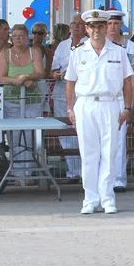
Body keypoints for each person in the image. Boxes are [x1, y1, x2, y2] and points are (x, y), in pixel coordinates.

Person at [66, 9, 134, 214]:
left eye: (100, 26)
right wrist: (70, 108)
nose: (96, 30)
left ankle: (107, 198)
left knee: (109, 152)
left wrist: (128, 107)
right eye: (92, 26)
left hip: (110, 104)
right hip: (86, 104)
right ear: (86, 29)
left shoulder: (118, 52)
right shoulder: (78, 52)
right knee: (88, 154)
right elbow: (70, 82)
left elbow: (128, 81)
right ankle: (90, 198)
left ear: (106, 28)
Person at [0, 24, 46, 180]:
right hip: (11, 100)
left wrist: (26, 77)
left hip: (32, 100)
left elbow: (39, 72)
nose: (19, 38)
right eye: (16, 36)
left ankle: (30, 173)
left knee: (31, 136)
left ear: (27, 37)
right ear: (11, 38)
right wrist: (17, 81)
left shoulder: (35, 51)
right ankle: (18, 173)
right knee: (15, 136)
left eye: (22, 36)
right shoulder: (5, 53)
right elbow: (2, 77)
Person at [107, 9, 134, 193]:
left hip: (121, 97)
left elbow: (132, 79)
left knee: (119, 140)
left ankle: (119, 178)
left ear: (121, 24)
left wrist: (130, 103)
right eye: (109, 23)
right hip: (103, 96)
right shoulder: (99, 45)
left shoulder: (131, 47)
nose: (112, 27)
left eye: (116, 23)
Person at [51, 16, 87, 183]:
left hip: (82, 92)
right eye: (74, 24)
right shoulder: (62, 45)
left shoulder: (89, 45)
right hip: (62, 91)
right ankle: (73, 172)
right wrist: (57, 74)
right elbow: (53, 69)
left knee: (83, 131)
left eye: (80, 24)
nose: (77, 27)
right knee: (65, 131)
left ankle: (86, 172)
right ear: (70, 26)